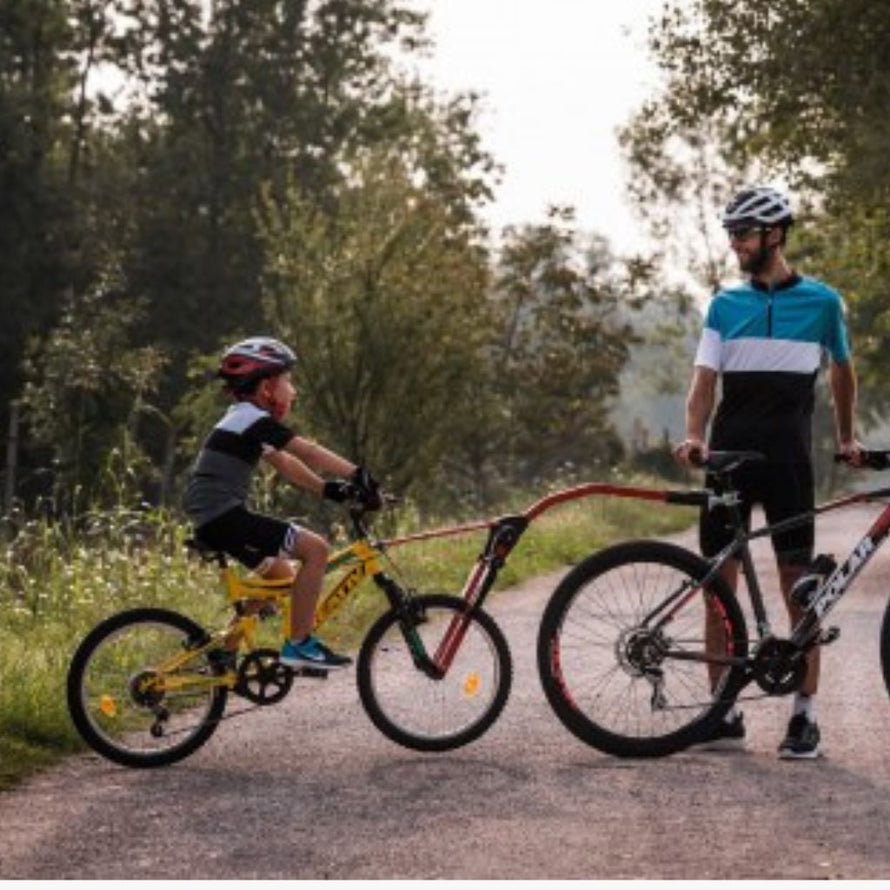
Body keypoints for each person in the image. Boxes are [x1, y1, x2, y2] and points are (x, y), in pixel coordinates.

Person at [674, 185, 862, 759]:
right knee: (717, 589)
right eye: (731, 233)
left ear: (775, 235)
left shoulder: (823, 303)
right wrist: (695, 437)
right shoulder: (724, 306)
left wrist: (846, 434)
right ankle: (720, 711)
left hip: (789, 462)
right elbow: (704, 381)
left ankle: (803, 717)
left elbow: (841, 373)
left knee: (799, 590)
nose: (734, 243)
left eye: (743, 233)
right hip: (729, 461)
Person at [184, 336, 382, 670]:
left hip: (217, 517)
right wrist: (358, 474)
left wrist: (326, 489)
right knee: (316, 549)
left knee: (282, 575)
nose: (294, 390)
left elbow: (286, 464)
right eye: (287, 381)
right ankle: (300, 644)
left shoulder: (242, 420)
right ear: (265, 388)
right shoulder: (250, 420)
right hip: (224, 516)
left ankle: (225, 652)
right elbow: (307, 451)